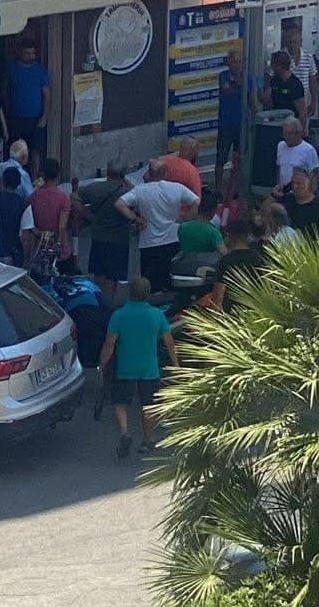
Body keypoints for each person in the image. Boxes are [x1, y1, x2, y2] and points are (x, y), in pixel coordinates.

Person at [97, 275, 180, 459]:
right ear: (148, 293)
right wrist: (176, 364)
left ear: (130, 292)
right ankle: (147, 440)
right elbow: (169, 342)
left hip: (125, 366)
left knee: (120, 402)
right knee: (149, 405)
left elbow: (109, 344)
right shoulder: (157, 315)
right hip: (149, 368)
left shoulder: (119, 315)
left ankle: (125, 432)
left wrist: (102, 363)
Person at [114, 160, 200, 293]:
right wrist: (186, 218)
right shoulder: (177, 188)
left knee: (151, 283)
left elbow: (119, 204)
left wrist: (136, 218)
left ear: (149, 173)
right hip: (172, 239)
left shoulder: (140, 190)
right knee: (170, 279)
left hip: (149, 242)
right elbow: (196, 201)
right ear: (165, 173)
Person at [72, 164, 132, 299]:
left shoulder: (95, 188)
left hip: (99, 237)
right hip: (119, 239)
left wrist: (86, 213)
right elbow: (138, 198)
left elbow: (74, 197)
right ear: (123, 175)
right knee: (112, 276)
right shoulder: (126, 193)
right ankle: (108, 301)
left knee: (99, 273)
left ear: (107, 173)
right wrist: (127, 182)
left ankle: (99, 299)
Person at [5, 39, 49, 176]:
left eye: (32, 53)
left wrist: (44, 116)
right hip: (17, 117)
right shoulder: (12, 69)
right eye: (27, 53)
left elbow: (46, 94)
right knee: (16, 149)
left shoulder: (40, 70)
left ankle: (34, 179)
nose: (30, 56)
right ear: (20, 53)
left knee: (35, 150)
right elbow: (5, 91)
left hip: (36, 118)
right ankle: (17, 177)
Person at [204, 219, 263, 312]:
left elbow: (219, 295)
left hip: (231, 310)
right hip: (254, 309)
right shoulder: (258, 258)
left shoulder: (227, 260)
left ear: (231, 236)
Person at [216, 50, 253, 198]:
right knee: (221, 158)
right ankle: (218, 190)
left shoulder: (247, 78)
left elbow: (250, 100)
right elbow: (228, 90)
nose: (238, 65)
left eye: (240, 62)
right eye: (235, 62)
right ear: (229, 63)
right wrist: (240, 82)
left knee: (239, 158)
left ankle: (235, 189)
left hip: (241, 125)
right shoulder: (223, 76)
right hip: (226, 124)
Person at [27, 158, 75, 272]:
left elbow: (29, 224)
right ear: (58, 175)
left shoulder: (33, 197)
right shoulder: (63, 198)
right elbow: (62, 226)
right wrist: (62, 245)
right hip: (57, 246)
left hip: (39, 246)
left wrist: (38, 233)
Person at [0, 167, 28, 264]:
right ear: (19, 184)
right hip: (9, 252)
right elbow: (24, 235)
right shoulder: (24, 205)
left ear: (2, 180)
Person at [282, 167, 319, 239]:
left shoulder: (318, 206)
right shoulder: (288, 199)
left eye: (299, 183)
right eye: (293, 183)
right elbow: (268, 211)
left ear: (309, 184)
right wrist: (274, 195)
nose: (295, 186)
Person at [274, 117, 319, 194]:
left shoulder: (309, 150)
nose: (286, 137)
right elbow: (279, 167)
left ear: (298, 133)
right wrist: (279, 185)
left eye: (289, 134)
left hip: (300, 192)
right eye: (284, 134)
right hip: (283, 191)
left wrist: (310, 194)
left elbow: (315, 174)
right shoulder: (281, 146)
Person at [285, 26, 319, 122]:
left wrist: (314, 102)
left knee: (303, 127)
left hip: (304, 102)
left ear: (300, 42)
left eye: (294, 42)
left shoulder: (308, 57)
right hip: (286, 102)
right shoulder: (282, 57)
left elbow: (313, 81)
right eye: (290, 42)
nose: (292, 45)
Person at [160, 136, 204, 212]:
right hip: (180, 212)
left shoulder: (163, 161)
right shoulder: (192, 171)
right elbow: (196, 199)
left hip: (161, 207)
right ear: (194, 152)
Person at [262, 50, 307, 121]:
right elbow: (266, 101)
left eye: (273, 64)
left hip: (290, 122)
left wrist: (302, 126)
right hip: (275, 119)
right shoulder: (274, 80)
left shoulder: (295, 84)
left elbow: (302, 110)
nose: (271, 67)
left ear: (280, 65)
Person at [178, 190, 225, 255]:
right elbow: (223, 253)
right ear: (213, 211)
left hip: (184, 260)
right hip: (206, 260)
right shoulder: (214, 232)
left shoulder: (182, 227)